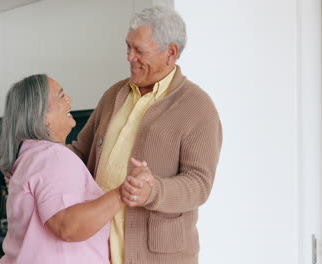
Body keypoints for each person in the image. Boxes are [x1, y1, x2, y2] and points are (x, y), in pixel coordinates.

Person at [69, 6, 223, 264]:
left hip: (160, 257)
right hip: (98, 250)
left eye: (139, 50)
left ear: (170, 53)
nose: (130, 57)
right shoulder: (114, 95)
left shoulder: (198, 106)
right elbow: (80, 152)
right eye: (128, 47)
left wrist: (154, 190)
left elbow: (199, 184)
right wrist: (38, 164)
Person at [0, 74, 122, 264]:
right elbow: (67, 226)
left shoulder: (29, 158)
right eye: (61, 96)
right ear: (42, 116)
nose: (69, 99)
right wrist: (124, 193)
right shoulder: (51, 156)